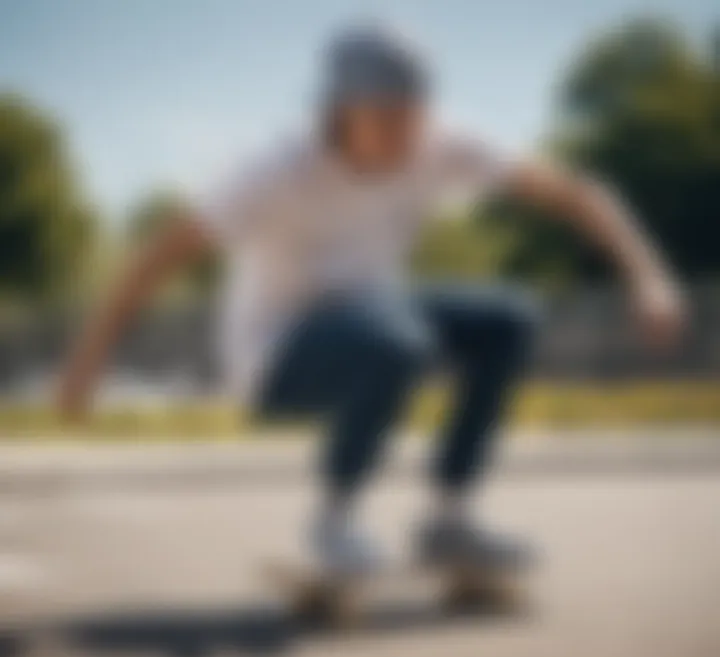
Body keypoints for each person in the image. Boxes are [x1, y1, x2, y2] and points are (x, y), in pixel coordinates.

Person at [57, 24, 685, 575]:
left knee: (508, 319)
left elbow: (577, 194)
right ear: (338, 111)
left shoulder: (438, 142)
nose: (404, 135)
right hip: (276, 360)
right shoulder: (272, 169)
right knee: (394, 339)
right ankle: (333, 519)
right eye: (385, 118)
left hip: (377, 324)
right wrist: (89, 361)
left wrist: (648, 275)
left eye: (414, 115)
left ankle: (448, 519)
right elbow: (154, 256)